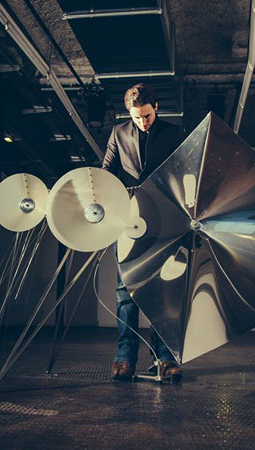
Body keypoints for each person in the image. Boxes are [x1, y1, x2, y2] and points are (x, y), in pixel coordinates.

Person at [102, 83, 183, 381]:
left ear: (156, 107)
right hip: (128, 222)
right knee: (126, 294)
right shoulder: (117, 134)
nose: (142, 122)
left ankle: (164, 357)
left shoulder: (174, 134)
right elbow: (107, 172)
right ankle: (124, 359)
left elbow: (185, 174)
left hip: (164, 222)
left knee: (162, 290)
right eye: (136, 118)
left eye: (146, 116)